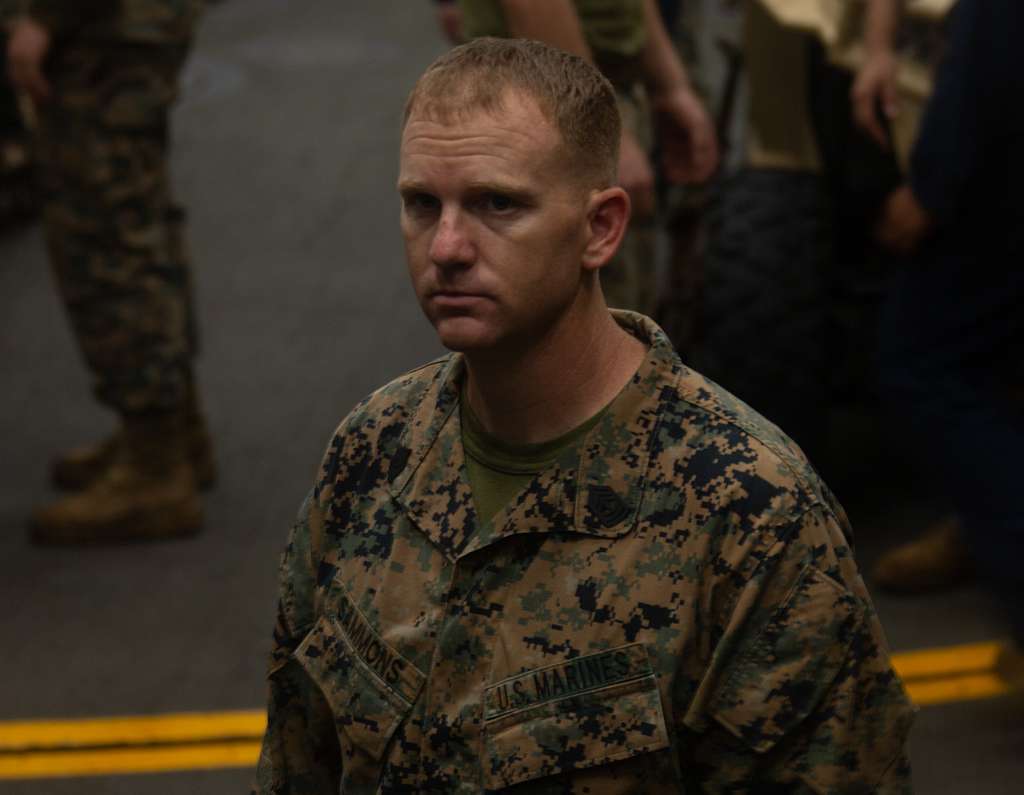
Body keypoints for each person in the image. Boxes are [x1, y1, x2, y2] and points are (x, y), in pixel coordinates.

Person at [253, 38, 912, 793]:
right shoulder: (375, 446)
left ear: (600, 228)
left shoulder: (750, 515)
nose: (447, 247)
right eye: (421, 203)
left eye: (499, 204)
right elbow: (295, 756)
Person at [5, 0, 214, 543]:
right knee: (133, 215)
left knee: (103, 233)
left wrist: (46, 18)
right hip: (122, 25)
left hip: (99, 27)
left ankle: (155, 467)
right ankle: (172, 430)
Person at [870, 0, 1024, 645]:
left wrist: (931, 185)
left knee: (923, 364)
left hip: (997, 191)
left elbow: (993, 43)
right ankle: (975, 525)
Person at [433, 0, 718, 318]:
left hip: (599, 85)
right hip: (541, 100)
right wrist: (599, 125)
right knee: (582, 322)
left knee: (623, 303)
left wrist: (669, 86)